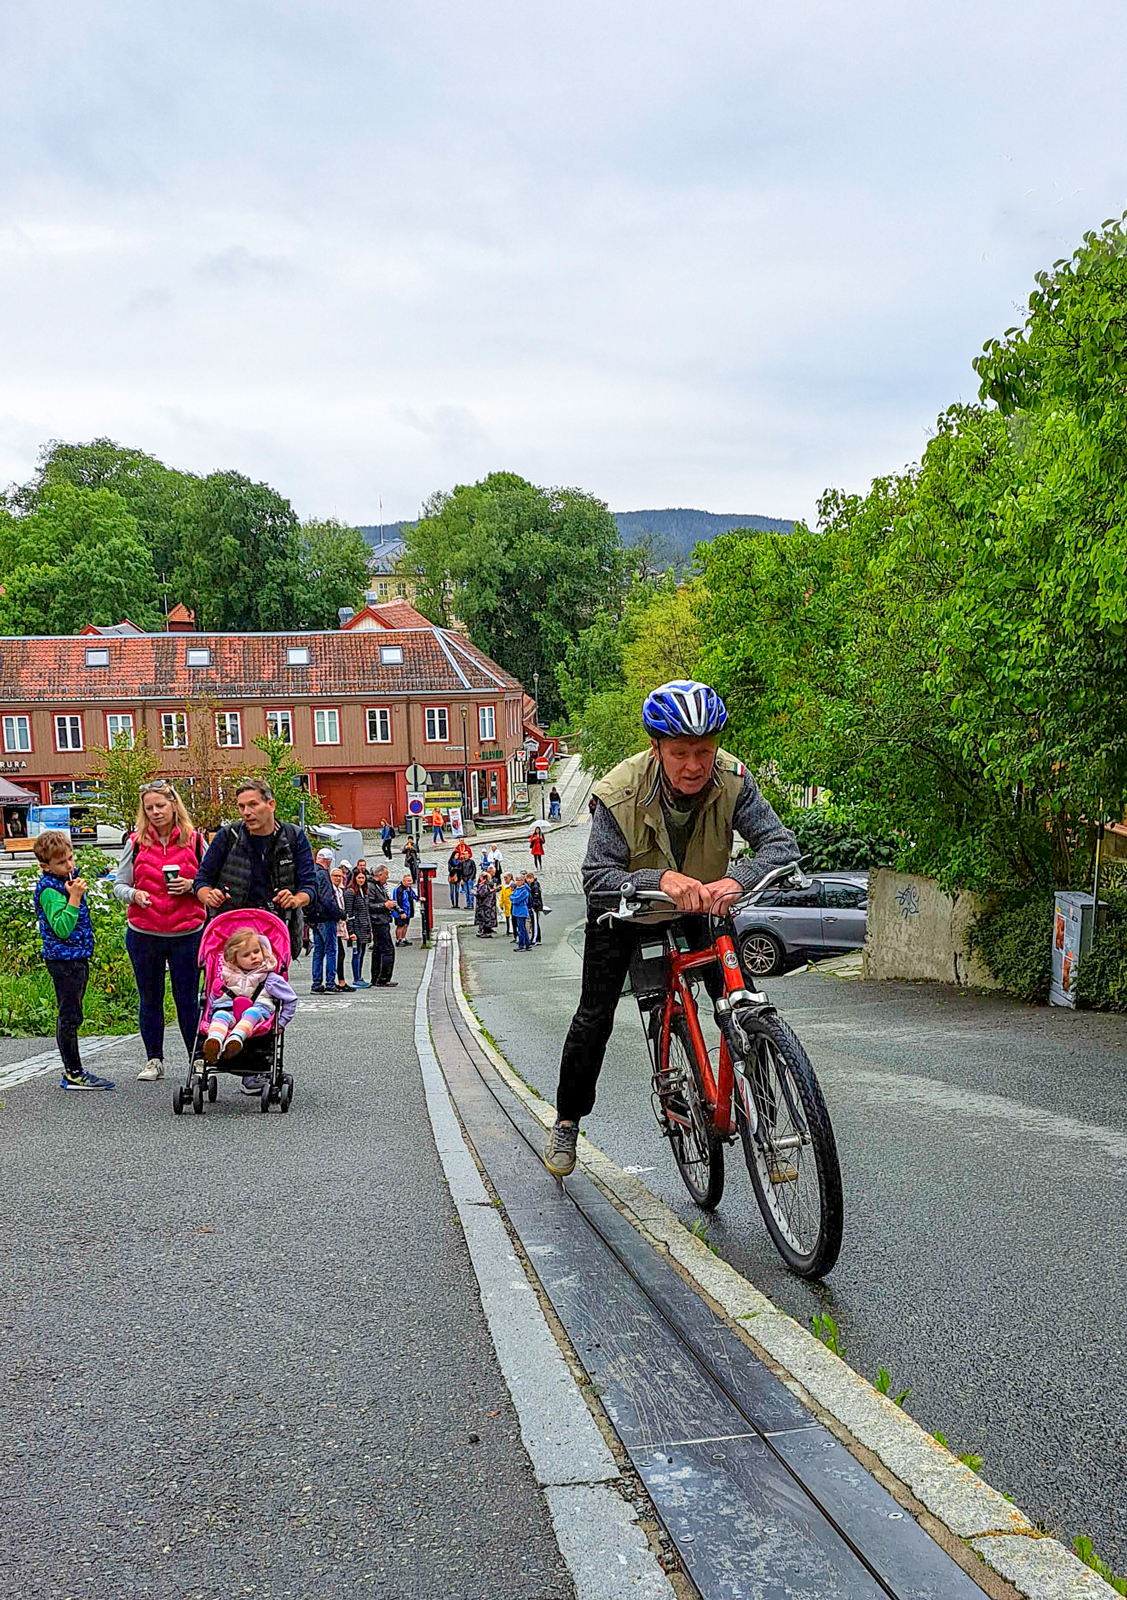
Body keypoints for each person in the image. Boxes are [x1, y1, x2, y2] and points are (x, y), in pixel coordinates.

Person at [543, 679, 798, 1179]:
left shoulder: (734, 781)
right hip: (627, 910)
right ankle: (567, 1121)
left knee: (744, 1003)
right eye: (680, 752)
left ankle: (769, 1132)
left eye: (704, 750)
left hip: (702, 904)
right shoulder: (619, 792)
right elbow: (597, 877)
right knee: (593, 1018)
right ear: (656, 748)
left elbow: (778, 845)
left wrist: (735, 879)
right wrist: (657, 878)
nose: (694, 765)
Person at [113, 779, 207, 1081]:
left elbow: (211, 882)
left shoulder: (194, 840)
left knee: (187, 999)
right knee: (149, 997)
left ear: (173, 805)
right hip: (144, 931)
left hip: (187, 933)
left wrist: (192, 886)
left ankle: (198, 1058)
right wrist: (134, 895)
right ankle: (154, 1059)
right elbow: (119, 885)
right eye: (149, 807)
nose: (155, 812)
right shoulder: (136, 842)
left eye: (160, 806)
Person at [33, 830, 114, 1091]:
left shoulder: (67, 879)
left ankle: (74, 1069)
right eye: (61, 862)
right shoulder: (49, 890)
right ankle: (73, 1072)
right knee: (69, 1015)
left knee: (74, 1012)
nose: (69, 865)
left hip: (78, 956)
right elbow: (62, 928)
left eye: (70, 858)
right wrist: (75, 898)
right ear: (45, 866)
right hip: (62, 959)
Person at [202, 926, 297, 1062]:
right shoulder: (227, 975)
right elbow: (213, 998)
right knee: (220, 1014)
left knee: (253, 1012)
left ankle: (235, 1039)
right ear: (234, 960)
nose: (253, 957)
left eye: (256, 951)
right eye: (246, 955)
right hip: (230, 1012)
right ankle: (215, 1041)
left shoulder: (269, 978)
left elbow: (291, 999)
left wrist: (281, 1022)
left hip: (258, 1015)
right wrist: (210, 1011)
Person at [307, 848, 342, 994]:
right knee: (331, 951)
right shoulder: (323, 874)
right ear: (327, 860)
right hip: (326, 917)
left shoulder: (311, 872)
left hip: (314, 918)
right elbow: (327, 897)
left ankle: (316, 984)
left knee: (318, 952)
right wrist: (339, 913)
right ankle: (330, 983)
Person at [369, 864, 398, 987]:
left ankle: (377, 977)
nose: (387, 877)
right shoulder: (372, 887)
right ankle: (383, 978)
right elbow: (369, 906)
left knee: (379, 950)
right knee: (387, 950)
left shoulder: (379, 886)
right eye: (386, 874)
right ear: (379, 875)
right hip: (378, 922)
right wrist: (384, 906)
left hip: (382, 920)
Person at [344, 864, 373, 986]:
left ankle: (360, 977)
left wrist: (369, 928)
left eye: (363, 878)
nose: (361, 880)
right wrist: (351, 931)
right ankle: (356, 978)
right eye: (359, 878)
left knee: (362, 953)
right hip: (356, 927)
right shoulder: (351, 893)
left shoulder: (363, 892)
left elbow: (366, 911)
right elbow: (349, 913)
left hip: (364, 926)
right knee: (356, 953)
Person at [330, 865, 355, 992]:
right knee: (337, 953)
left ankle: (340, 981)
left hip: (341, 924)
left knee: (340, 953)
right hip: (333, 924)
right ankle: (336, 981)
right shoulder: (331, 891)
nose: (338, 878)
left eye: (340, 876)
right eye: (335, 876)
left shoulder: (341, 891)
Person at [510, 873, 531, 951]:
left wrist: (513, 899)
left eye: (519, 880)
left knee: (521, 930)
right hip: (516, 911)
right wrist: (513, 898)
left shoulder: (524, 890)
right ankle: (527, 944)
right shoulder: (517, 889)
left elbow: (517, 899)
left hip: (521, 911)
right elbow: (511, 896)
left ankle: (521, 945)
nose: (517, 882)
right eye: (517, 880)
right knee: (523, 929)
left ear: (523, 881)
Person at [394, 873, 417, 945]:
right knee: (400, 925)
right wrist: (400, 912)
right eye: (408, 881)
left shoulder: (409, 888)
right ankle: (398, 940)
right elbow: (397, 901)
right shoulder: (399, 889)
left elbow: (413, 895)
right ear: (404, 881)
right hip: (401, 911)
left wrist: (418, 898)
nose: (410, 882)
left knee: (406, 924)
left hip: (408, 910)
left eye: (411, 881)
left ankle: (403, 939)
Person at [527, 871, 544, 945]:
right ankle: (535, 938)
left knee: (535, 923)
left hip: (535, 907)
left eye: (529, 878)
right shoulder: (531, 885)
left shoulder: (535, 886)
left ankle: (536, 939)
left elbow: (536, 897)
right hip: (532, 906)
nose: (528, 880)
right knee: (533, 922)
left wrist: (534, 906)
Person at [498, 873, 513, 937]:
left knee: (512, 918)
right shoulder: (503, 885)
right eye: (504, 878)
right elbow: (501, 895)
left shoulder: (513, 885)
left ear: (510, 877)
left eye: (506, 877)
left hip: (511, 904)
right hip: (506, 904)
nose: (505, 879)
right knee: (507, 917)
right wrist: (500, 904)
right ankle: (508, 930)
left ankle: (512, 931)